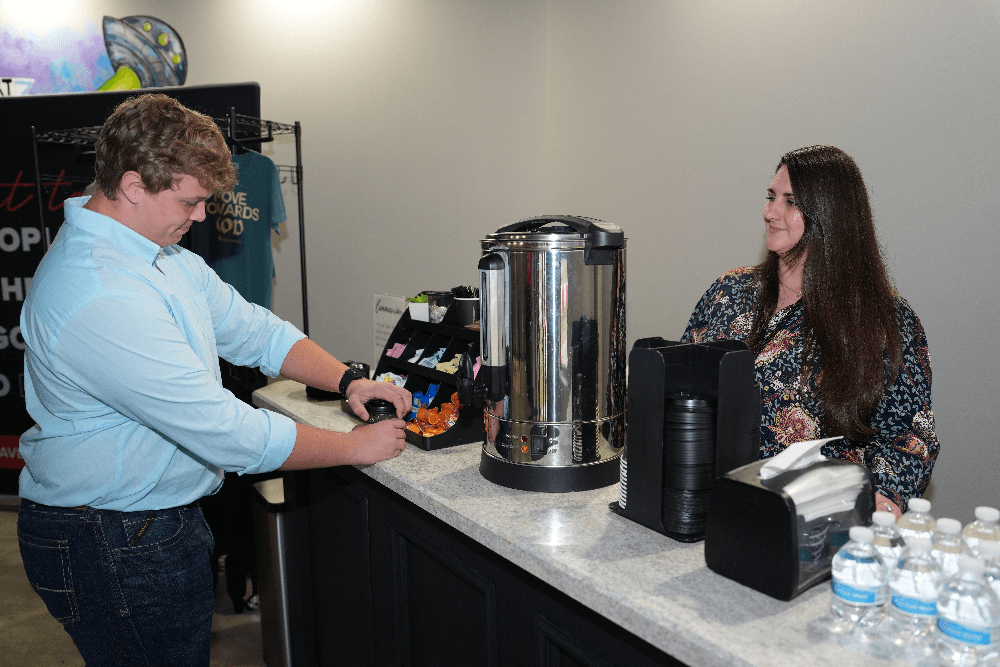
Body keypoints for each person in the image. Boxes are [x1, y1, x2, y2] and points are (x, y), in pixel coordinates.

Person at [16, 93, 412, 667]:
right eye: (191, 200)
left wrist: (348, 380)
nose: (202, 216)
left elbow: (253, 330)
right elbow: (224, 431)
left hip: (149, 526)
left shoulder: (158, 253)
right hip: (110, 540)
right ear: (132, 186)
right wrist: (352, 448)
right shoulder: (100, 291)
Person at [681, 145, 939, 517]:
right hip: (706, 509)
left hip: (813, 528)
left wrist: (877, 509)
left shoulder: (884, 321)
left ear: (830, 215)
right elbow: (682, 389)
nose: (770, 212)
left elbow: (910, 437)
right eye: (771, 197)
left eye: (790, 202)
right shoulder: (729, 291)